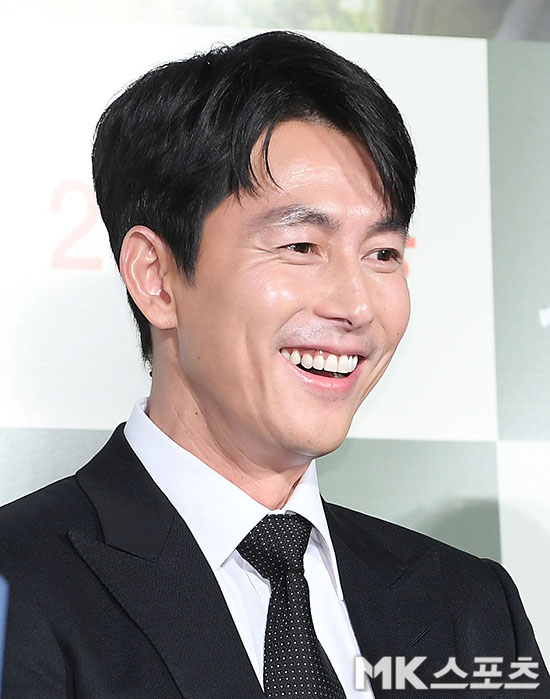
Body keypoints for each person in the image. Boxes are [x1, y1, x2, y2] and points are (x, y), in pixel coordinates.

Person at [0, 31, 547, 698]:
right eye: (300, 245)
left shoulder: (473, 609)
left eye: (383, 254)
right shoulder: (18, 586)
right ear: (158, 278)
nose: (355, 304)